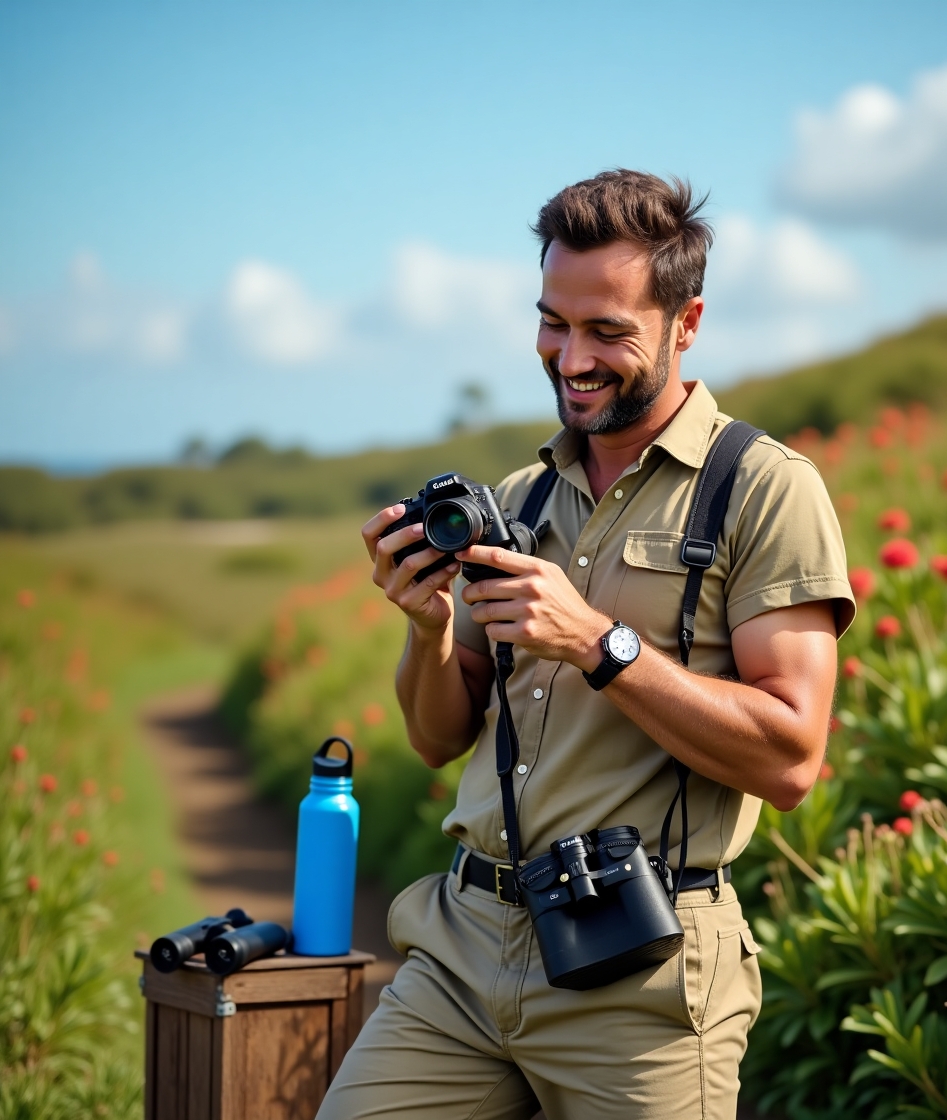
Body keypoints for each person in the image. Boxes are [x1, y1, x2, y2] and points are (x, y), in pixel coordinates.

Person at [320, 170, 854, 1120]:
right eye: (552, 323)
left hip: (640, 972)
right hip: (461, 950)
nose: (570, 357)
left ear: (686, 323)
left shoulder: (763, 491)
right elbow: (439, 739)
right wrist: (428, 628)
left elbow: (790, 756)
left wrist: (598, 643)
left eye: (608, 331)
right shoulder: (517, 499)